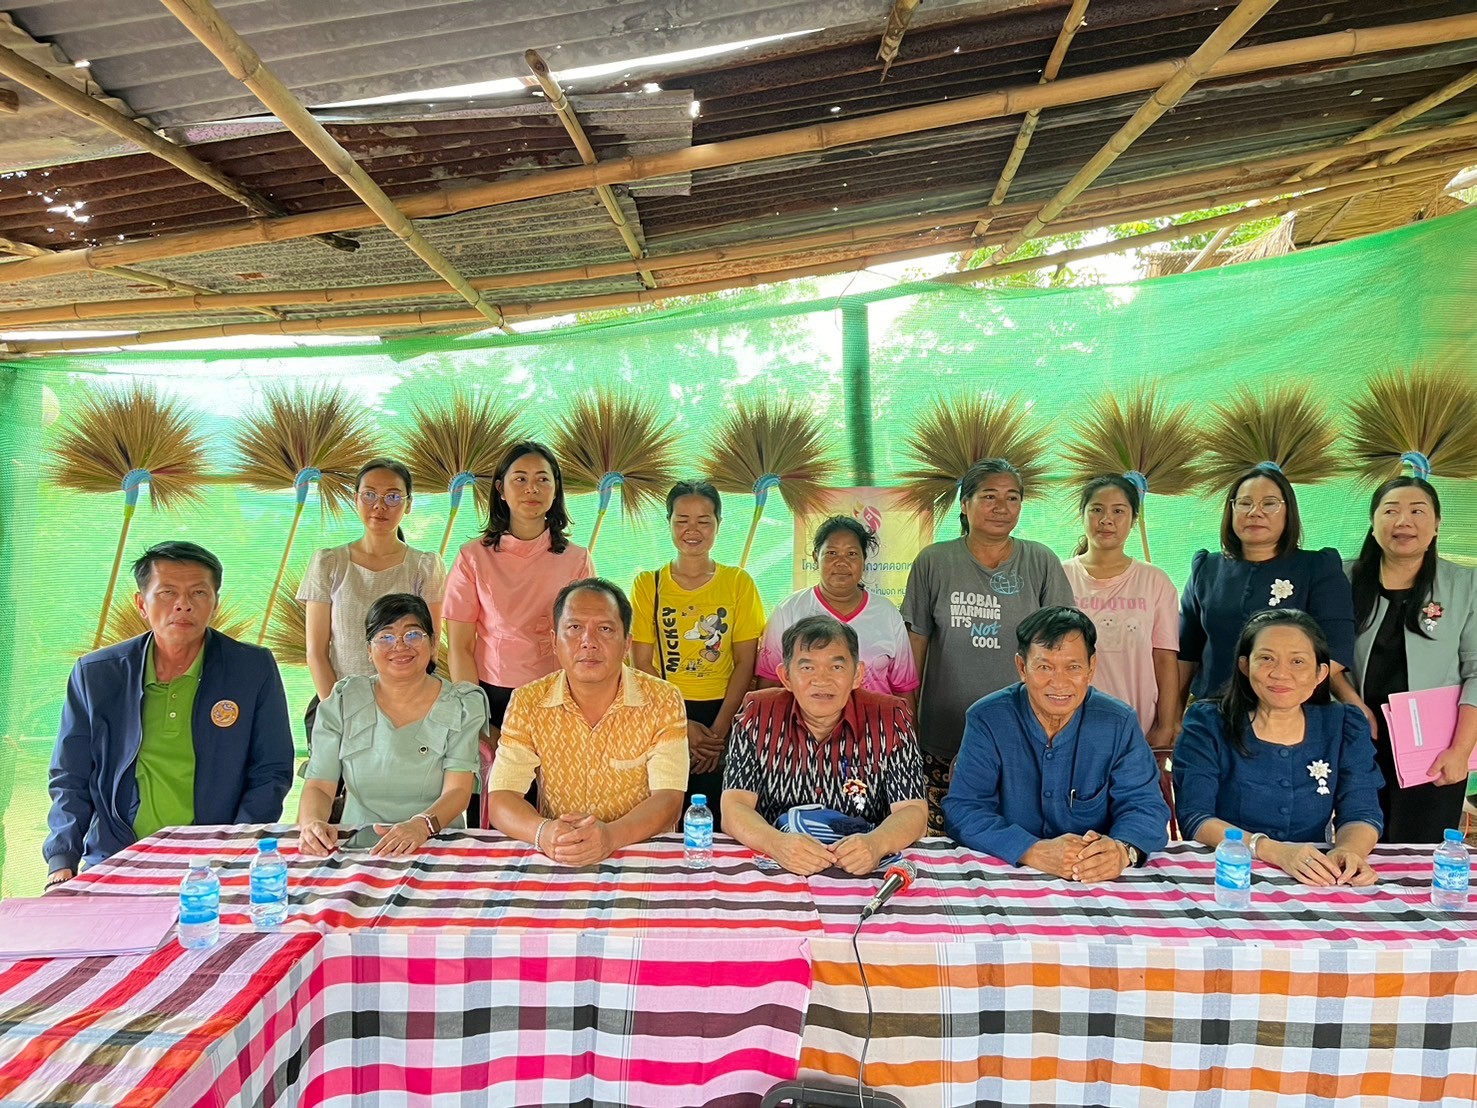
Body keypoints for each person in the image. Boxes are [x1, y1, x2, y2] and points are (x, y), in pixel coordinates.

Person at [44, 542, 294, 887]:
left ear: (214, 602)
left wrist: (235, 845)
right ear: (141, 604)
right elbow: (70, 776)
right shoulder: (97, 674)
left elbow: (271, 771)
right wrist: (62, 860)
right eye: (167, 592)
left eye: (198, 593)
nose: (183, 604)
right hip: (119, 855)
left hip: (215, 858)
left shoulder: (251, 668)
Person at [902, 458, 1074, 830]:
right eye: (989, 496)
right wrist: (908, 716)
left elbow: (1064, 647)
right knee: (944, 841)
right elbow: (916, 642)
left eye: (1012, 498)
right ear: (965, 504)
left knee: (1014, 841)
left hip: (1025, 733)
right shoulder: (934, 561)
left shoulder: (1040, 561)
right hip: (942, 733)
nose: (1002, 507)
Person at [943, 606, 1169, 882]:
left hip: (1095, 882)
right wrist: (1031, 850)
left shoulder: (1118, 723)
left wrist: (1122, 851)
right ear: (1021, 667)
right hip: (1006, 876)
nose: (1059, 683)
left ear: (1091, 668)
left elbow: (1146, 806)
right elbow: (963, 809)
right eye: (1044, 667)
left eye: (1073, 667)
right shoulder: (988, 719)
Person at [485, 579, 689, 865]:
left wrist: (610, 837)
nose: (588, 641)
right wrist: (543, 833)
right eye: (574, 628)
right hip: (560, 853)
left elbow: (669, 799)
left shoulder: (663, 699)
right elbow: (502, 797)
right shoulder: (528, 702)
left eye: (605, 629)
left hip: (641, 855)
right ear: (555, 640)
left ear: (627, 643)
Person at [1174, 609, 1385, 885]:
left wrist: (1347, 851)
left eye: (1297, 661)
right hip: (1227, 875)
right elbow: (1195, 817)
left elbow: (1362, 812)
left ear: (1321, 673)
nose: (1281, 673)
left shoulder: (1343, 724)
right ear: (1245, 665)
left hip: (1315, 877)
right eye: (1266, 658)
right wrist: (1275, 852)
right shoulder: (1208, 724)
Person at [444, 441, 593, 821]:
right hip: (491, 699)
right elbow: (460, 647)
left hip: (558, 697)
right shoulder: (472, 557)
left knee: (556, 807)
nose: (532, 488)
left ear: (556, 489)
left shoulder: (576, 558)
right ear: (500, 488)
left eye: (543, 479)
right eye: (520, 479)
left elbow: (585, 640)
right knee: (494, 808)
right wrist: (477, 719)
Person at [724, 614, 927, 876]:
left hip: (863, 869)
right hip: (778, 864)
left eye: (837, 667)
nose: (822, 680)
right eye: (807, 667)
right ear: (785, 677)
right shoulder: (758, 714)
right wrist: (776, 844)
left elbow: (913, 810)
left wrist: (877, 844)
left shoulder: (891, 717)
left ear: (857, 675)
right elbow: (733, 807)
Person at [297, 594, 485, 858]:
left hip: (436, 842)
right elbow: (319, 784)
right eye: (385, 637)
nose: (399, 646)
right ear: (369, 650)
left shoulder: (461, 705)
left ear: (432, 644)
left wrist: (421, 826)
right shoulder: (343, 700)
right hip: (357, 845)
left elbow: (458, 790)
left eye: (413, 635)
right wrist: (312, 824)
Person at [1178, 463, 1364, 723]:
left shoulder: (1317, 567)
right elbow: (1186, 652)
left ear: (1289, 511)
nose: (1255, 513)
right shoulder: (1207, 568)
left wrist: (1277, 695)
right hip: (1214, 713)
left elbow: (1336, 649)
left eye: (1269, 504)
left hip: (1293, 715)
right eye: (1244, 503)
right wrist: (1172, 718)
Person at [1345, 476, 1477, 843]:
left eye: (1417, 511)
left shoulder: (1466, 584)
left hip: (1434, 748)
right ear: (1374, 525)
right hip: (1358, 737)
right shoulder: (1344, 578)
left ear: (1436, 525)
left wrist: (1460, 751)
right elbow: (1327, 658)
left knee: (1422, 850)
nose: (1404, 521)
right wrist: (1352, 703)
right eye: (1391, 511)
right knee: (1355, 842)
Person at [631, 481, 764, 830]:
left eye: (704, 520)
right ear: (669, 522)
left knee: (721, 817)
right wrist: (680, 725)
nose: (693, 530)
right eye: (682, 520)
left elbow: (745, 662)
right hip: (666, 713)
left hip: (725, 711)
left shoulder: (738, 582)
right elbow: (641, 664)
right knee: (664, 813)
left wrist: (719, 733)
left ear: (719, 524)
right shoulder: (649, 584)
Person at [298, 458, 446, 742]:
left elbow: (430, 649)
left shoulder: (424, 566)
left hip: (407, 709)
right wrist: (339, 714)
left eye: (392, 496)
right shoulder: (329, 563)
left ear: (408, 504)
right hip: (337, 707)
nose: (380, 505)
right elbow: (316, 652)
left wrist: (399, 711)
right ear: (356, 499)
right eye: (370, 495)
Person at [1062, 475, 1181, 750]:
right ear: (1083, 515)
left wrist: (1165, 726)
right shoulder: (1059, 576)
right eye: (1096, 509)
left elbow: (1164, 659)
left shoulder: (1155, 581)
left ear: (1134, 519)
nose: (1106, 519)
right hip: (1068, 728)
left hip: (1137, 729)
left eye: (1118, 511)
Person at [756, 515, 920, 707]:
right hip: (806, 732)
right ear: (816, 557)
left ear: (864, 559)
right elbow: (769, 686)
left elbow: (904, 689)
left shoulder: (887, 613)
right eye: (832, 553)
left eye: (851, 554)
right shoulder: (788, 611)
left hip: (875, 732)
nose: (842, 563)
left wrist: (911, 735)